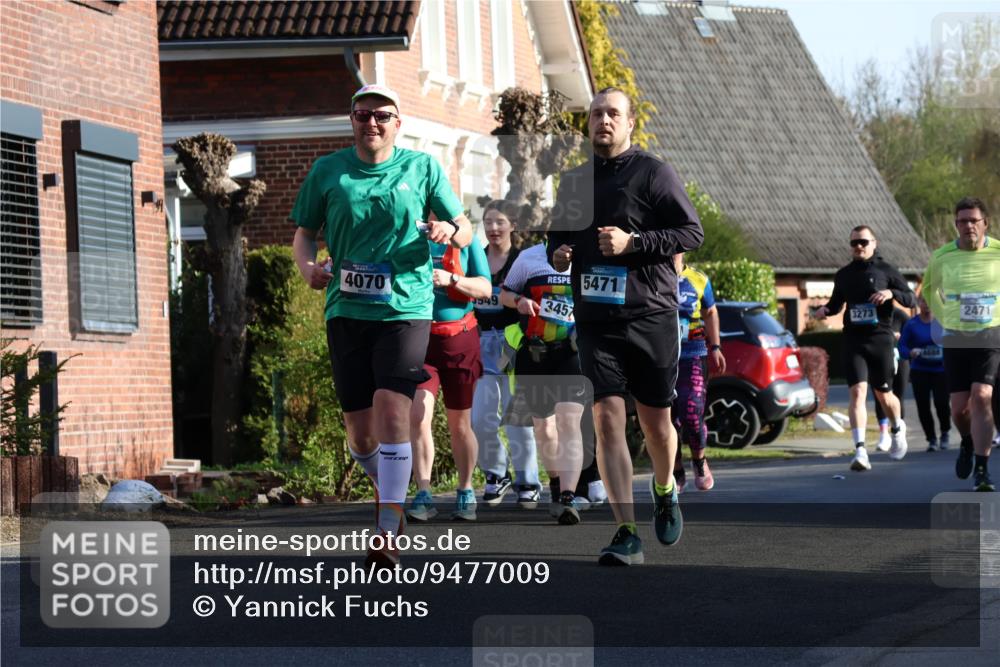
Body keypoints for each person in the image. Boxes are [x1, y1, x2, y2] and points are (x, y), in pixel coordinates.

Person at [290, 84, 472, 567]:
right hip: (346, 310)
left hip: (405, 307)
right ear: (351, 120)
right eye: (362, 115)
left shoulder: (422, 167)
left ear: (398, 122)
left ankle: (387, 527)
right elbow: (304, 236)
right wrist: (308, 269)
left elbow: (465, 225)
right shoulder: (328, 171)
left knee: (395, 412)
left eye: (382, 115)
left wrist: (449, 229)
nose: (372, 123)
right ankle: (388, 487)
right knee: (360, 435)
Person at [549, 87, 704, 565]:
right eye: (596, 114)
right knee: (606, 418)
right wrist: (560, 253)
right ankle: (625, 531)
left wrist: (634, 241)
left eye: (613, 113)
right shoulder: (573, 182)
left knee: (656, 425)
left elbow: (691, 232)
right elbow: (558, 238)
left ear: (630, 123)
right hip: (596, 320)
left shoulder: (655, 173)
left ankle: (663, 488)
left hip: (650, 315)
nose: (603, 120)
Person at [407, 227, 492, 522]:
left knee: (460, 424)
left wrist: (452, 279)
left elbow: (485, 288)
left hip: (459, 340)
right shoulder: (410, 237)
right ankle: (424, 492)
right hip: (420, 340)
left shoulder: (466, 241)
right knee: (417, 416)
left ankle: (466, 489)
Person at [814, 225, 915, 471]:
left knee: (884, 395)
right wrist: (825, 310)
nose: (858, 247)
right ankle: (860, 451)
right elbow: (837, 303)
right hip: (853, 339)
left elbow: (910, 298)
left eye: (863, 242)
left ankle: (897, 428)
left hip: (880, 338)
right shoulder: (844, 274)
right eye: (853, 243)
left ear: (873, 243)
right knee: (857, 393)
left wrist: (890, 292)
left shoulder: (886, 270)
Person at [501, 243, 589, 525]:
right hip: (535, 353)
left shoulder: (587, 257)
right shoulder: (529, 258)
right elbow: (504, 294)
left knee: (568, 421)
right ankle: (554, 482)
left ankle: (567, 496)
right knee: (544, 428)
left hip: (572, 352)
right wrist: (519, 302)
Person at [922, 197, 1000, 492]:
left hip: (991, 333)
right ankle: (967, 443)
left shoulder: (998, 252)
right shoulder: (942, 256)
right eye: (962, 221)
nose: (968, 226)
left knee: (982, 396)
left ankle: (982, 469)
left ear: (985, 223)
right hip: (955, 335)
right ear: (956, 224)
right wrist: (944, 314)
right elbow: (930, 290)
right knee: (959, 409)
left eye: (973, 220)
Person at [469, 200, 542, 508]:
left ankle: (528, 481)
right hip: (480, 342)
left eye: (499, 222)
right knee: (480, 419)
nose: (493, 228)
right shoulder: (476, 259)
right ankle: (496, 474)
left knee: (517, 418)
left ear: (513, 225)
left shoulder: (521, 261)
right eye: (488, 222)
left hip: (514, 343)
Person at [673, 253, 726, 492]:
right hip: (660, 356)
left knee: (692, 411)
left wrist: (715, 347)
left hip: (693, 353)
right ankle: (675, 469)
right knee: (667, 418)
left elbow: (711, 312)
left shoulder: (697, 278)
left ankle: (699, 460)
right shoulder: (651, 276)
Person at [898, 295, 950, 451]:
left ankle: (945, 432)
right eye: (923, 301)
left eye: (930, 302)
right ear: (919, 303)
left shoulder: (943, 323)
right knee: (923, 406)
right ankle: (931, 438)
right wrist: (910, 352)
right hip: (920, 370)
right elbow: (902, 347)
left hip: (941, 370)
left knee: (942, 403)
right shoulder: (911, 324)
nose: (927, 305)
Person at [873, 306, 911, 452]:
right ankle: (883, 433)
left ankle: (898, 431)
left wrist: (900, 337)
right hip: (879, 359)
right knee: (880, 395)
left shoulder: (900, 315)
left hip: (900, 359)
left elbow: (911, 335)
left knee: (898, 396)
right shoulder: (871, 313)